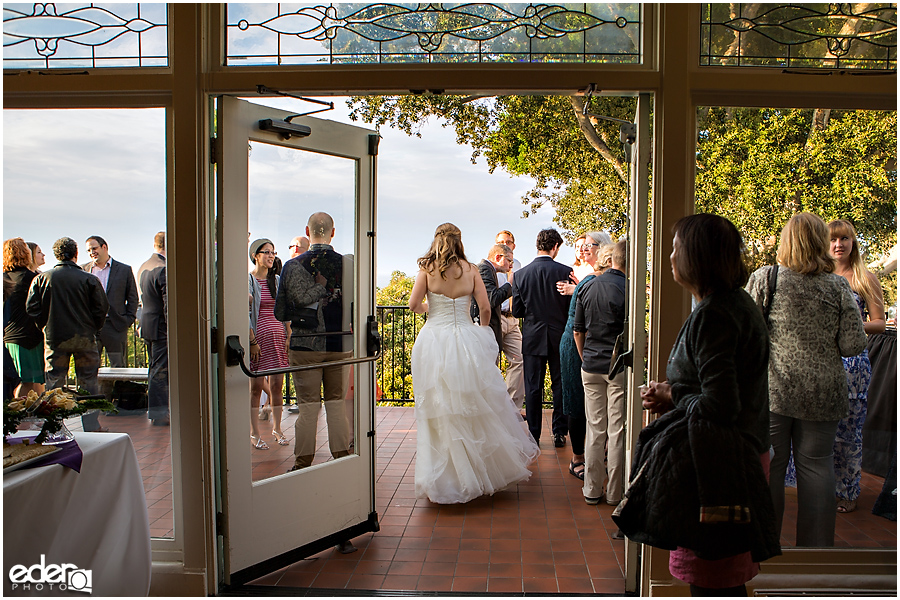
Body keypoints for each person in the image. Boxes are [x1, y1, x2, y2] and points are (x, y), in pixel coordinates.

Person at [640, 214, 775, 596]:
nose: (669, 257)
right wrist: (676, 389)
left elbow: (720, 404)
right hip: (737, 458)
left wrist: (671, 395)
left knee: (713, 582)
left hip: (720, 470)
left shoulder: (714, 315)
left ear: (698, 257)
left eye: (676, 248)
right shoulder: (733, 304)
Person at [746, 212, 866, 547]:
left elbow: (747, 334)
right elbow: (853, 344)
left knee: (771, 468)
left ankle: (765, 548)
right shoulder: (839, 285)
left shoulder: (766, 278)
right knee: (816, 468)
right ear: (820, 243)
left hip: (775, 391)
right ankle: (816, 556)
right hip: (825, 392)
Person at [409, 223, 539, 503]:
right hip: (466, 338)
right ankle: (481, 473)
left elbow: (412, 304)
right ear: (459, 241)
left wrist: (429, 309)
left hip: (434, 340)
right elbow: (485, 307)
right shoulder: (470, 270)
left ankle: (448, 478)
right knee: (475, 406)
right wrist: (481, 331)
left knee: (439, 408)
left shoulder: (428, 270)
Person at [275, 212, 352, 472]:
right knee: (336, 405)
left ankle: (302, 464)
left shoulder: (292, 266)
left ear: (308, 232)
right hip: (339, 345)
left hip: (305, 345)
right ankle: (342, 460)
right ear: (333, 233)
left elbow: (281, 312)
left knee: (308, 407)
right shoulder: (347, 265)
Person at [828, 219, 886, 514]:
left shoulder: (865, 277)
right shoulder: (819, 276)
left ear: (853, 243)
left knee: (848, 431)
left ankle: (848, 491)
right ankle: (818, 489)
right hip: (822, 361)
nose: (838, 245)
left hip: (853, 365)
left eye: (844, 239)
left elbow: (880, 322)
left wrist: (851, 326)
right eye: (833, 239)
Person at [26, 237, 108, 431]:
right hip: (84, 338)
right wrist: (93, 329)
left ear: (56, 255)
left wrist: (45, 326)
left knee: (54, 382)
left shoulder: (42, 278)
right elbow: (101, 308)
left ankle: (54, 424)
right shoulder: (88, 279)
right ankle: (90, 425)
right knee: (89, 381)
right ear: (75, 254)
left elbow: (32, 309)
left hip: (55, 339)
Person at [574, 241, 625, 504]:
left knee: (595, 428)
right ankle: (615, 492)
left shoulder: (588, 286)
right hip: (617, 366)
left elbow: (577, 330)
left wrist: (585, 358)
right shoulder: (629, 288)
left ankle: (592, 489)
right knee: (617, 430)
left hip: (591, 364)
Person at [512, 228, 573, 446]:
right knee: (560, 385)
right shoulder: (566, 272)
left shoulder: (520, 275)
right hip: (559, 337)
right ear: (555, 247)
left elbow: (517, 311)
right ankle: (559, 433)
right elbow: (571, 307)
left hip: (532, 338)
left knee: (533, 387)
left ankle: (534, 435)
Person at [560, 241, 613, 481]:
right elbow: (579, 326)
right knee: (577, 399)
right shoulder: (588, 279)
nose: (583, 248)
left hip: (589, 342)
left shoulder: (589, 279)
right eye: (581, 245)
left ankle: (596, 452)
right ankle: (578, 458)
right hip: (577, 343)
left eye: (590, 244)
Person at [248, 238, 290, 449]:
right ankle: (254, 432)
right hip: (258, 341)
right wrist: (252, 341)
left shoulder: (278, 280)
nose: (271, 256)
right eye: (266, 252)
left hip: (277, 339)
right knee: (256, 387)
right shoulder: (249, 280)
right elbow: (246, 312)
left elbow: (285, 310)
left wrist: (289, 334)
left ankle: (278, 428)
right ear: (256, 255)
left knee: (277, 386)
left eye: (273, 252)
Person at [81, 236, 139, 368]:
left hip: (115, 326)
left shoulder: (124, 270)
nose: (91, 252)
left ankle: (117, 389)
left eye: (94, 248)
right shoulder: (83, 270)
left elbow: (132, 298)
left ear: (104, 247)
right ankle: (91, 390)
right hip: (91, 327)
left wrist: (128, 320)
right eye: (89, 250)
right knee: (89, 367)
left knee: (118, 367)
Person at [3, 238, 45, 398]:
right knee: (29, 382)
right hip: (29, 338)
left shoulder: (5, 277)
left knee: (28, 381)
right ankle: (22, 415)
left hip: (9, 336)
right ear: (25, 253)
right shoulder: (32, 278)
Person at [495, 230, 525, 411]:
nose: (506, 244)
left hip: (513, 319)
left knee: (519, 360)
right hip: (496, 319)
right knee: (491, 362)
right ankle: (493, 407)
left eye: (509, 242)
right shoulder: (490, 266)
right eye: (502, 242)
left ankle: (512, 409)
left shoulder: (519, 265)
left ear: (514, 245)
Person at [140, 243, 169, 426]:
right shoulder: (163, 269)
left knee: (154, 368)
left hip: (147, 325)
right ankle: (159, 414)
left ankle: (156, 411)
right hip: (160, 327)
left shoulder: (144, 266)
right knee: (160, 371)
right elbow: (168, 304)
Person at [470, 243, 514, 352]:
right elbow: (492, 299)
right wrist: (510, 284)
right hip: (483, 330)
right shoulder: (484, 269)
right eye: (509, 261)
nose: (511, 266)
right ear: (498, 257)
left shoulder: (488, 269)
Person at [558, 231, 613, 296]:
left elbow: (605, 294)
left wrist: (576, 289)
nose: (584, 249)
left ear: (602, 247)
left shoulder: (609, 271)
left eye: (589, 245)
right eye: (585, 245)